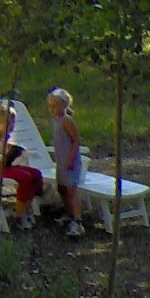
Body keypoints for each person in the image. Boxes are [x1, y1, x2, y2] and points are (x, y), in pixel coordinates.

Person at [0, 102, 43, 226]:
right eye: (9, 123)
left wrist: (14, 148)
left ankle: (26, 206)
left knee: (36, 174)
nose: (12, 126)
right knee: (25, 177)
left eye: (13, 123)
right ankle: (20, 215)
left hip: (5, 166)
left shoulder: (4, 136)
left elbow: (5, 145)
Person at [47, 87, 87, 238]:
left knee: (72, 190)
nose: (52, 109)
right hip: (61, 161)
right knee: (61, 188)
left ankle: (78, 220)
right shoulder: (56, 121)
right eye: (50, 106)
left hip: (71, 161)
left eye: (55, 106)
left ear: (64, 106)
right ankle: (68, 213)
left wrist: (70, 159)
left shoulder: (67, 121)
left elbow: (76, 140)